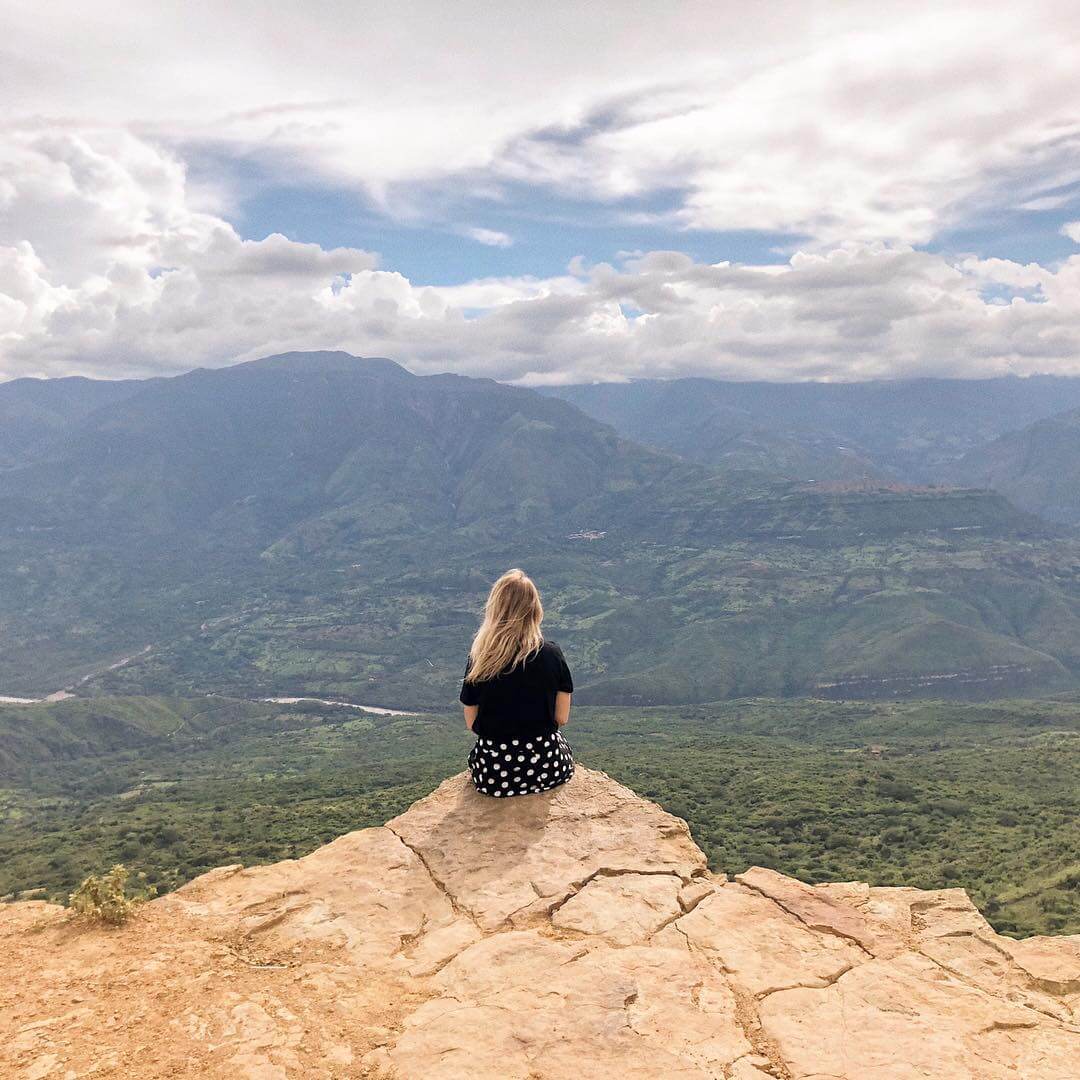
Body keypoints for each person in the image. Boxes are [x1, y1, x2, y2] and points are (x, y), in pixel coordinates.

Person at [459, 568, 574, 797]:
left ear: (495, 608)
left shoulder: (480, 658)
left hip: (493, 774)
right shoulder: (552, 654)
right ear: (534, 609)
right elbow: (561, 718)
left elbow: (472, 723)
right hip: (548, 767)